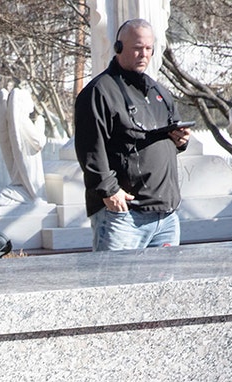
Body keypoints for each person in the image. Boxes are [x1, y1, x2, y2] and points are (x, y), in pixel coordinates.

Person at [74, 18, 190, 251]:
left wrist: (180, 141)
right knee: (115, 286)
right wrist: (109, 190)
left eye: (148, 48)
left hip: (166, 217)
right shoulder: (100, 92)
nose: (143, 54)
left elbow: (165, 138)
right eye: (137, 48)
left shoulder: (159, 92)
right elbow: (90, 147)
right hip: (123, 216)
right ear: (118, 48)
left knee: (165, 288)